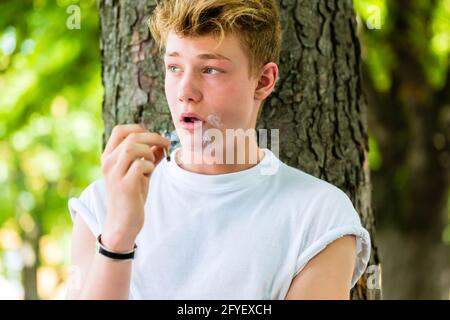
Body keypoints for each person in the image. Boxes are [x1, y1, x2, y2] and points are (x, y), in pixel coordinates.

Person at [66, 0, 371, 299]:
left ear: (263, 81)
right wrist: (118, 237)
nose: (185, 91)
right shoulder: (102, 205)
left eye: (210, 70)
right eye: (174, 67)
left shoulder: (320, 217)